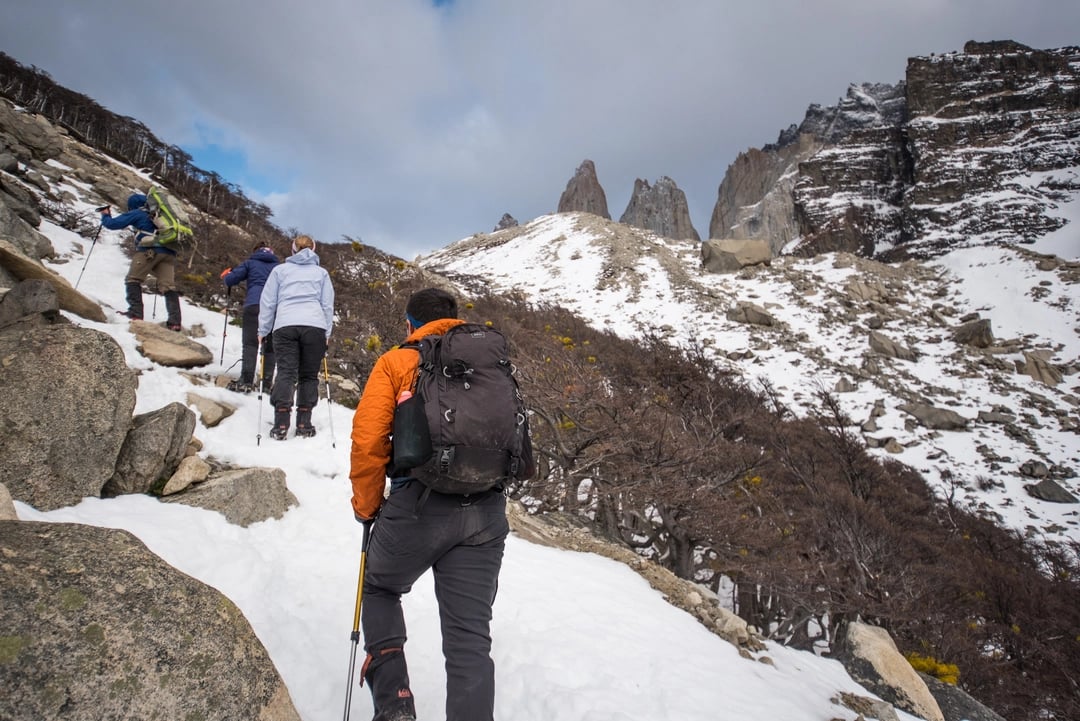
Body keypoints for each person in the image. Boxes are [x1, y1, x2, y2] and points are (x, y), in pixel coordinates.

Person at [348, 288, 534, 721]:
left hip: (418, 507)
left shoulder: (398, 361)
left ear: (410, 323)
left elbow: (368, 441)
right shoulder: (489, 364)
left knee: (378, 587)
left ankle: (394, 704)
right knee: (470, 639)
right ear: (454, 321)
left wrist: (367, 507)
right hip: (486, 513)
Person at [257, 235, 334, 440]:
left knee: (286, 372)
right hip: (315, 326)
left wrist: (263, 330)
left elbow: (268, 303)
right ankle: (304, 423)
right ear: (314, 250)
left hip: (285, 325)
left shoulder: (280, 271)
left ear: (292, 250)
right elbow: (327, 306)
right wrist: (327, 333)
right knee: (308, 375)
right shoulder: (321, 274)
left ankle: (281, 424)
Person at [101, 193, 182, 330]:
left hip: (149, 251)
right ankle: (175, 322)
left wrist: (105, 215)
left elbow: (112, 224)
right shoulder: (162, 215)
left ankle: (135, 313)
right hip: (168, 253)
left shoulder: (138, 213)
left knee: (133, 279)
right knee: (168, 287)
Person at [221, 242, 281, 393]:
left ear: (256, 251)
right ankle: (266, 384)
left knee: (251, 344)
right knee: (270, 347)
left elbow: (230, 280)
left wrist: (227, 274)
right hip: (274, 308)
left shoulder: (250, 263)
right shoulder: (279, 268)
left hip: (254, 305)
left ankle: (246, 381)